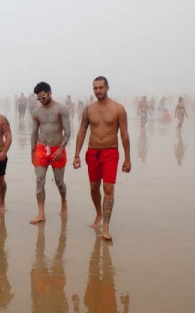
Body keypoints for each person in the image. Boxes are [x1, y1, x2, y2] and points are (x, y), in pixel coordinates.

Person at [73, 76, 131, 241]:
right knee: (93, 188)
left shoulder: (118, 109)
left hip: (111, 152)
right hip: (92, 152)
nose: (98, 91)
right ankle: (98, 213)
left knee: (108, 189)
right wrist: (76, 155)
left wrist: (127, 158)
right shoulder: (89, 109)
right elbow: (82, 131)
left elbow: (125, 134)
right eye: (95, 88)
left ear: (107, 88)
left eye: (101, 88)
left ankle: (105, 226)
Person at [30, 81, 71, 224]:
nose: (41, 100)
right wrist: (32, 151)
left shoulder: (61, 109)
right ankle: (41, 213)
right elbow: (34, 133)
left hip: (57, 149)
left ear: (50, 93)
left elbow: (68, 132)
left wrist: (61, 149)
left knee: (59, 182)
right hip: (42, 149)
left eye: (43, 97)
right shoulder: (36, 112)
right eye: (39, 98)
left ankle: (64, 201)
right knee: (39, 180)